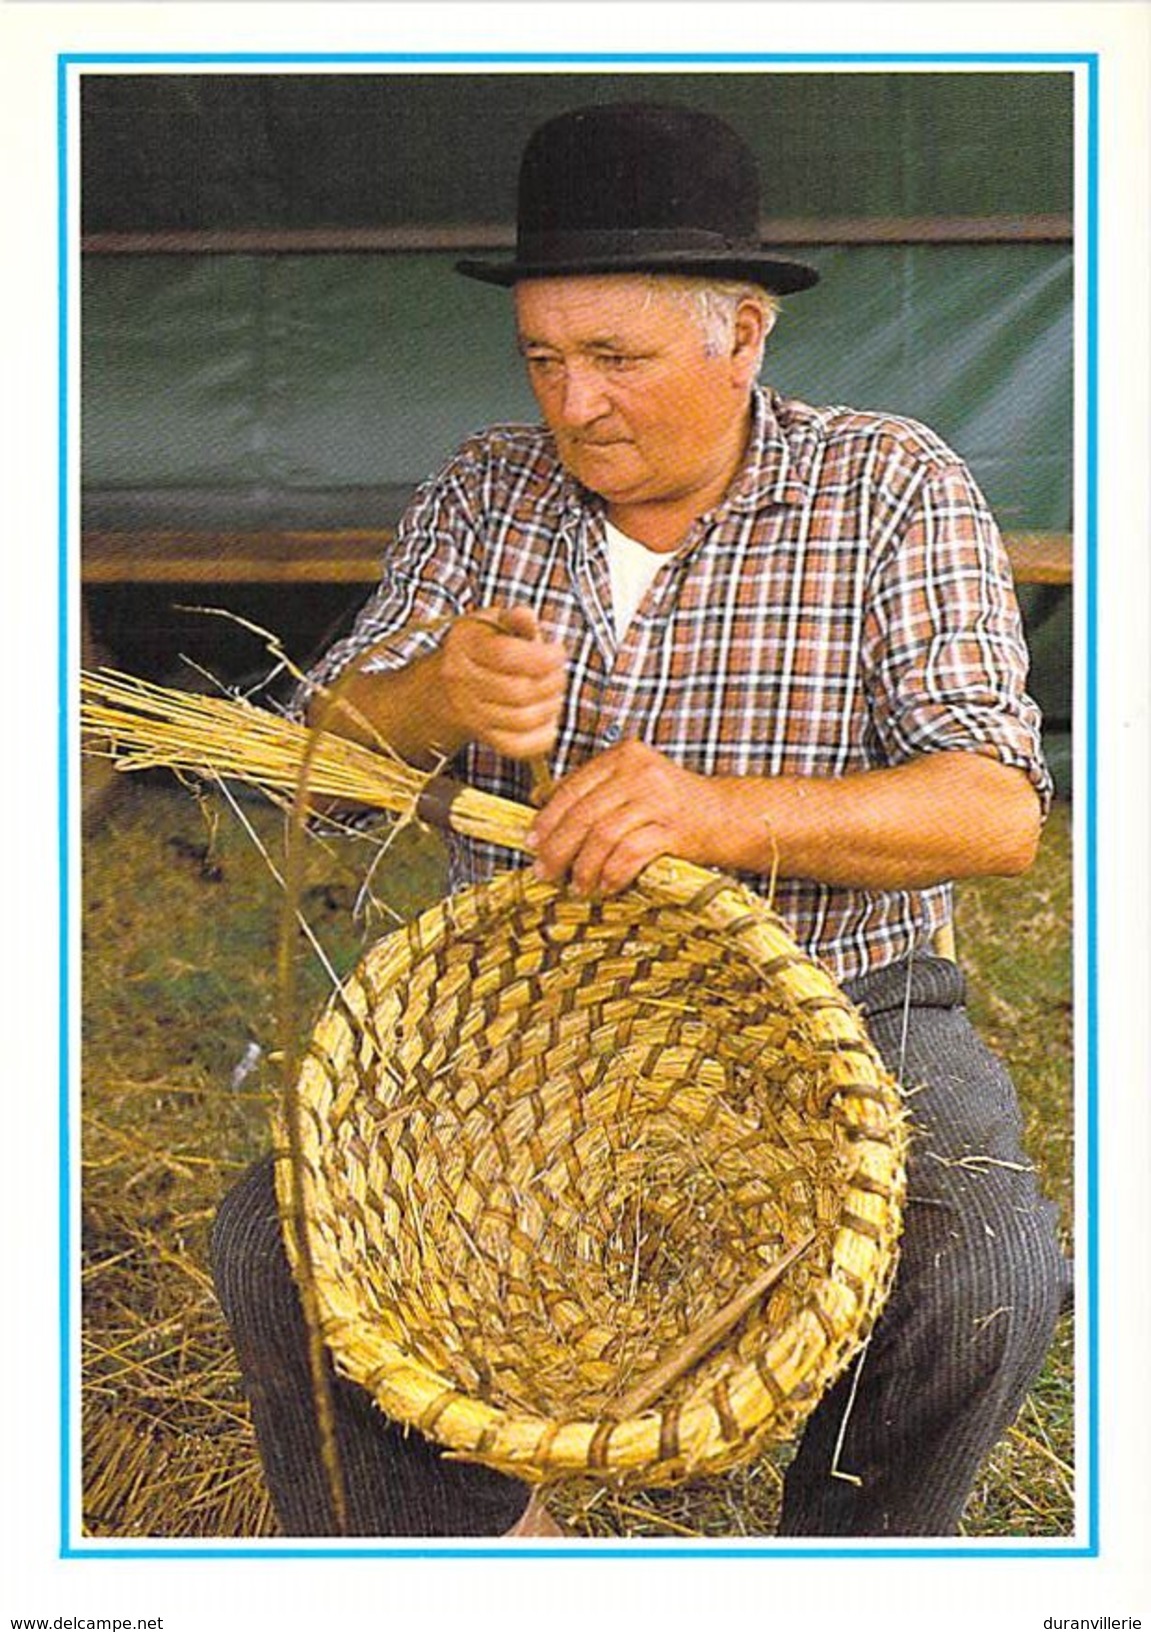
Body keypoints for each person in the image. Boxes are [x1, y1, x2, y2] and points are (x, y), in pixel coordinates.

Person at [211, 100, 1069, 1538]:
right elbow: (321, 736)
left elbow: (996, 810)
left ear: (746, 333)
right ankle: (459, 1547)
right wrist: (436, 693)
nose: (573, 404)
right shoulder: (487, 493)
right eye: (544, 357)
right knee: (275, 1236)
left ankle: (850, 1577)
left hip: (854, 1001)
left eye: (616, 358)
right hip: (521, 1026)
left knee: (985, 1271)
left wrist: (712, 812)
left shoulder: (890, 489)